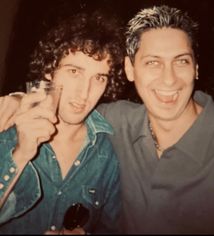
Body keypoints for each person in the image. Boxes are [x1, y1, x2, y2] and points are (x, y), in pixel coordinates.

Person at [1, 4, 214, 234]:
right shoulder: (116, 123)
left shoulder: (108, 140)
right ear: (130, 69)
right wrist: (19, 103)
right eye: (153, 62)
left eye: (181, 61)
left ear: (196, 67)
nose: (169, 79)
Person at [0, 9, 126, 234]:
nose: (84, 93)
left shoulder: (108, 154)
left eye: (99, 78)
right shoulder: (7, 126)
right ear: (50, 71)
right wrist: (20, 156)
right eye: (74, 71)